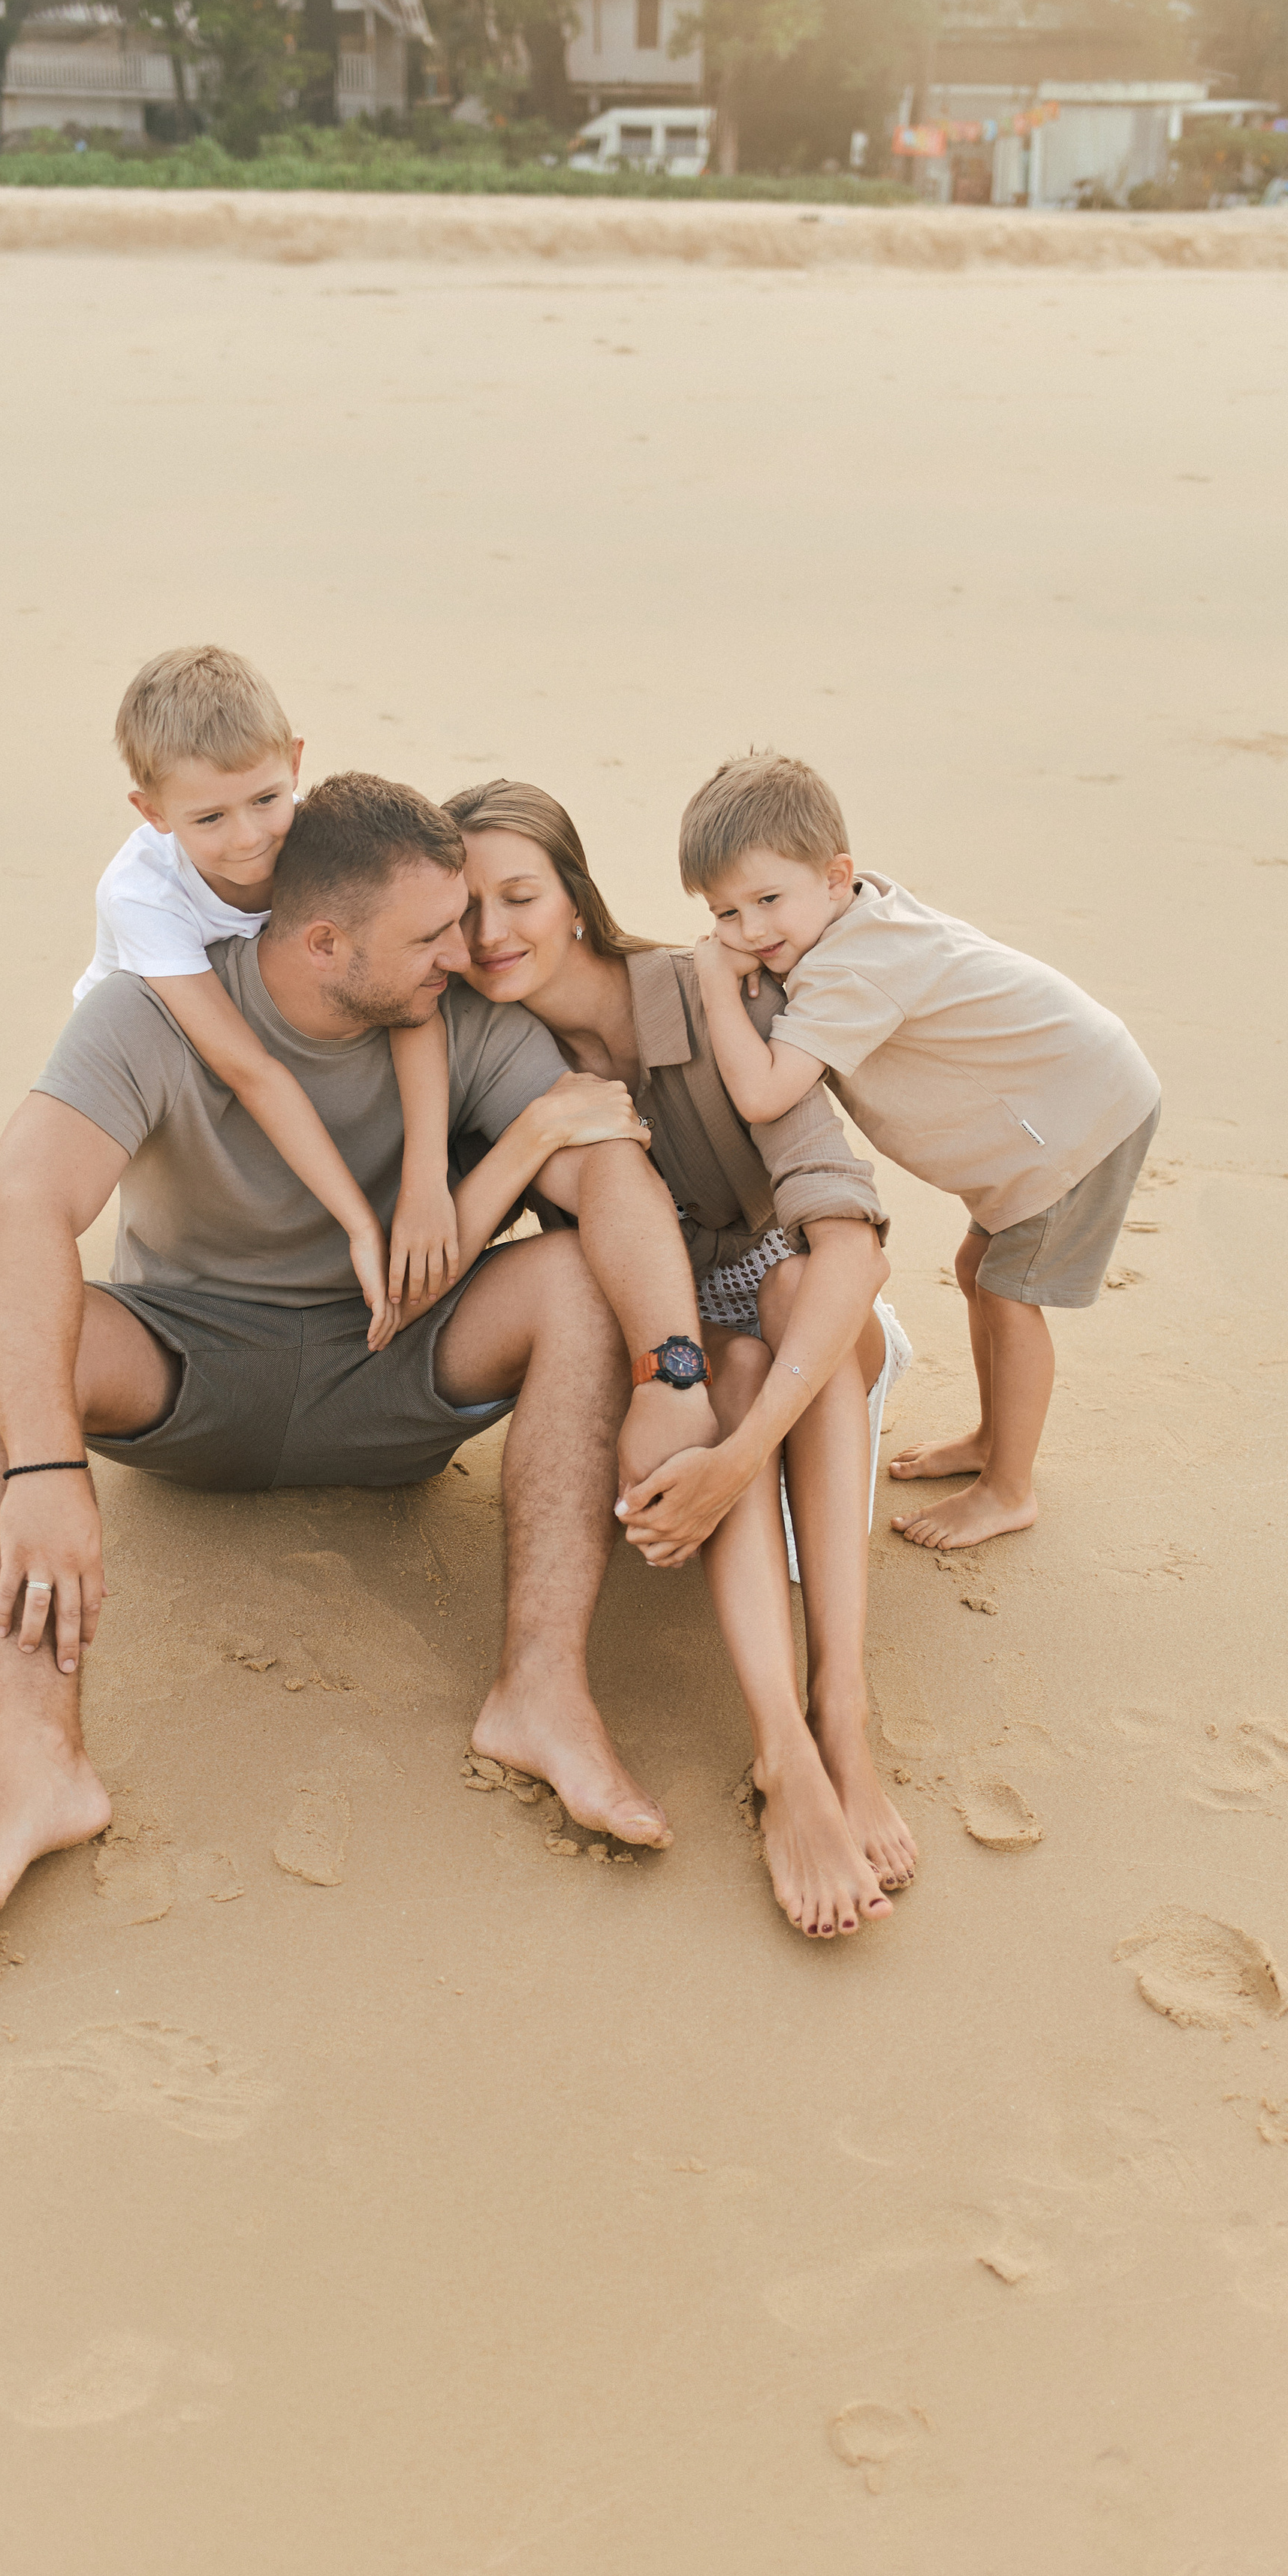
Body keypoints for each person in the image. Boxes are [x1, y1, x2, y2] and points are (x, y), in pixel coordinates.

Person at [0, 774, 719, 1944]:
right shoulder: (154, 1017)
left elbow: (611, 1175)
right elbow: (19, 1214)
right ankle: (37, 1765)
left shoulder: (466, 1020)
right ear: (327, 941)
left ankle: (540, 1692)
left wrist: (672, 1373)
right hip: (187, 1371)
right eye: (434, 933)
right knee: (17, 1316)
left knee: (582, 1277)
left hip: (394, 1377)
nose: (470, 949)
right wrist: (45, 1469)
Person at [445, 780, 915, 1941]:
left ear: (575, 896)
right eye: (463, 912)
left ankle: (843, 1709)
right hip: (683, 1362)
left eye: (520, 895)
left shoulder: (712, 992)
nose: (494, 933)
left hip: (813, 1338)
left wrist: (735, 1456)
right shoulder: (483, 1060)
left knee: (792, 1296)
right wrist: (534, 1136)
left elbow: (853, 1247)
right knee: (727, 1364)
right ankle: (783, 1753)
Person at [684, 752, 1161, 1552]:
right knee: (981, 1271)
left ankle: (1008, 1489)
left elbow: (763, 1093)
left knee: (1009, 1294)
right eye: (723, 914)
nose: (748, 932)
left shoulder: (853, 966)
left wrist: (708, 978)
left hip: (1079, 1119)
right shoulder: (854, 920)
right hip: (1060, 1100)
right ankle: (990, 1440)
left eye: (768, 900)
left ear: (836, 877)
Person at [75, 645, 457, 1346]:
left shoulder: (318, 840)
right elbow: (248, 1069)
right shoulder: (142, 894)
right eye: (209, 819)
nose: (250, 838)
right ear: (152, 810)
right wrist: (358, 1224)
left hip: (278, 1022)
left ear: (295, 762)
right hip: (168, 1049)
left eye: (265, 799)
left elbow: (412, 1008)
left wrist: (425, 1182)